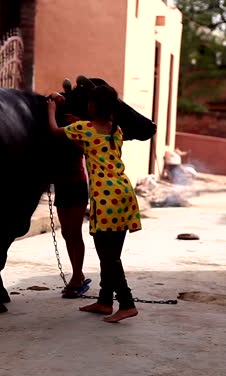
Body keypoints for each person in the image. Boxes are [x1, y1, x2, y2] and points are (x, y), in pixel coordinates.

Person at [47, 85, 141, 323]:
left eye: (90, 102)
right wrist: (79, 129)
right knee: (112, 253)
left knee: (108, 257)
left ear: (94, 106)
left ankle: (127, 303)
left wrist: (51, 109)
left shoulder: (84, 128)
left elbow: (55, 131)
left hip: (105, 197)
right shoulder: (116, 131)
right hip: (124, 194)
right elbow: (93, 148)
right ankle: (104, 301)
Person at [52, 105, 92, 299]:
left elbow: (86, 150)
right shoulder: (56, 133)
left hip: (77, 185)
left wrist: (77, 125)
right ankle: (78, 273)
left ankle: (77, 276)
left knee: (75, 232)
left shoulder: (80, 129)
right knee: (67, 233)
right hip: (61, 187)